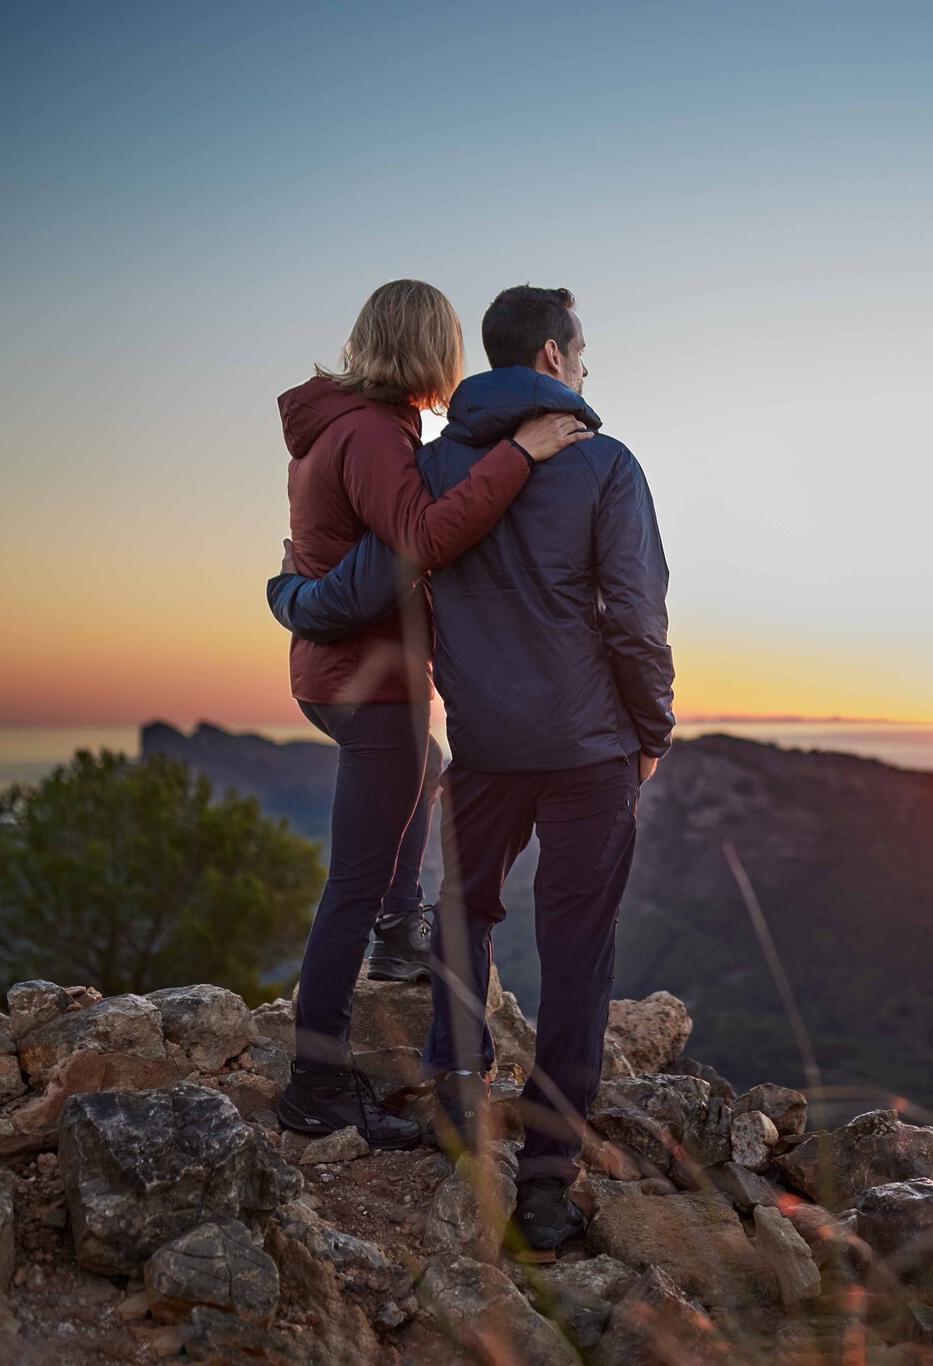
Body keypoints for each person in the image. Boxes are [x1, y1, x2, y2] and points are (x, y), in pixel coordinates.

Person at [269, 285, 673, 1252]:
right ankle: (542, 1179)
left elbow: (394, 565)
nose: (587, 369)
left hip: (485, 750)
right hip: (588, 751)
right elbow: (634, 613)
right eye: (582, 353)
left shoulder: (431, 463)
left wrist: (292, 589)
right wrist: (650, 728)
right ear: (550, 357)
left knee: (465, 914)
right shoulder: (604, 464)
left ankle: (456, 1098)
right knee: (576, 951)